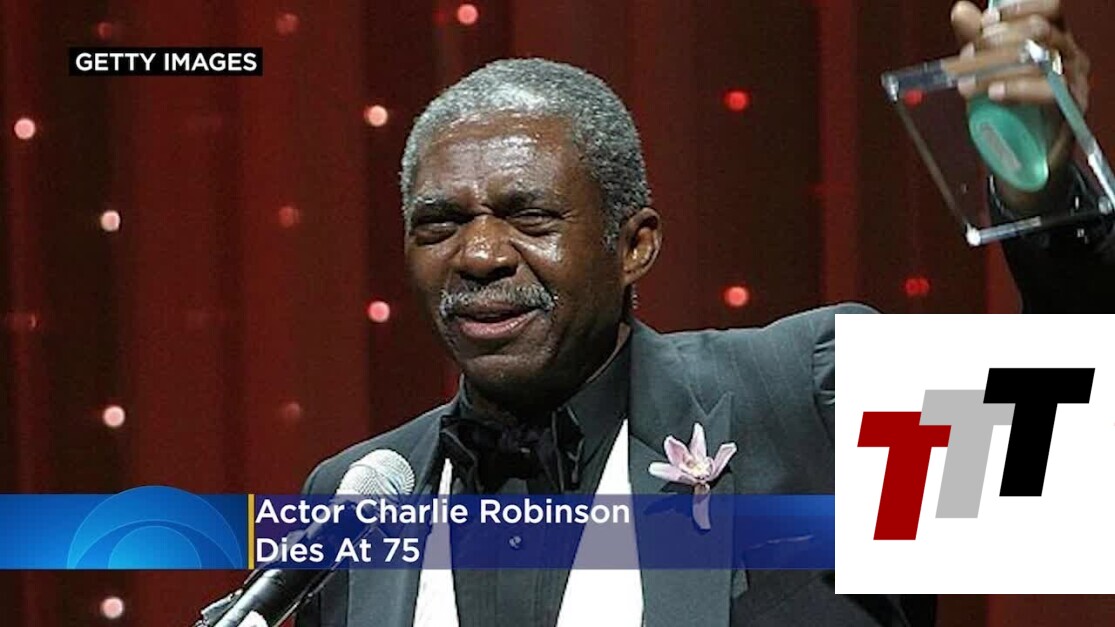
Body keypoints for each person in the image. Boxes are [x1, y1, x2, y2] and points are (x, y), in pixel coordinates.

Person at [294, 2, 1111, 625]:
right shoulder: (359, 493)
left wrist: (1044, 192)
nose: (478, 255)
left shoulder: (806, 400)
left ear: (634, 245)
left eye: (530, 216)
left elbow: (1072, 453)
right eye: (439, 224)